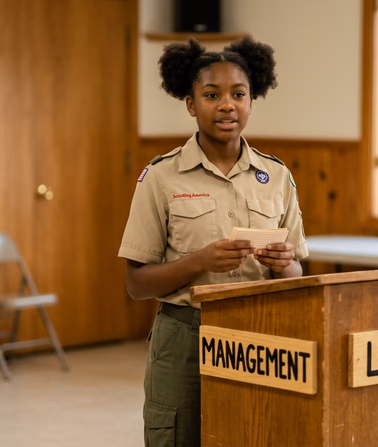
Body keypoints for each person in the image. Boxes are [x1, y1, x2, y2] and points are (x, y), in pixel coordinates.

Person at [118, 36, 308, 447]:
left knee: (255, 434)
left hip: (261, 336)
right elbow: (136, 285)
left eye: (238, 94)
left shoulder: (277, 177)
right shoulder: (161, 177)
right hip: (184, 336)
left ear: (251, 101)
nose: (227, 105)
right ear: (190, 103)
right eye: (211, 94)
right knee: (178, 437)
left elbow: (296, 275)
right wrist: (199, 261)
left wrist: (284, 263)